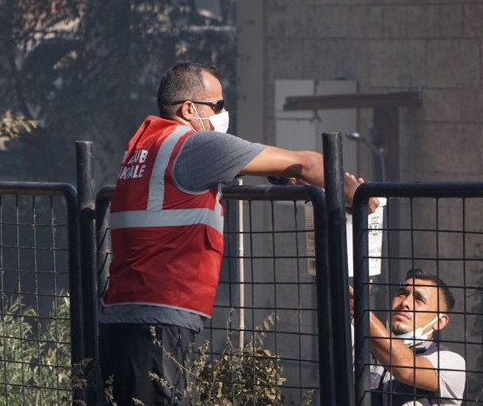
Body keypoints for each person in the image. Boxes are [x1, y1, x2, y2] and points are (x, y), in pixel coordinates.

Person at [99, 62, 371, 405]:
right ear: (189, 108)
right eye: (218, 106)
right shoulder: (196, 146)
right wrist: (357, 194)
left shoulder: (146, 146)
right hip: (159, 315)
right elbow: (308, 164)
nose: (224, 113)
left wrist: (283, 177)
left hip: (122, 312)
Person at [352, 269, 465, 406]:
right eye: (401, 293)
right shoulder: (365, 346)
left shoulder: (451, 363)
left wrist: (360, 310)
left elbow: (405, 369)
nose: (405, 302)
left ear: (439, 322)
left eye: (419, 299)